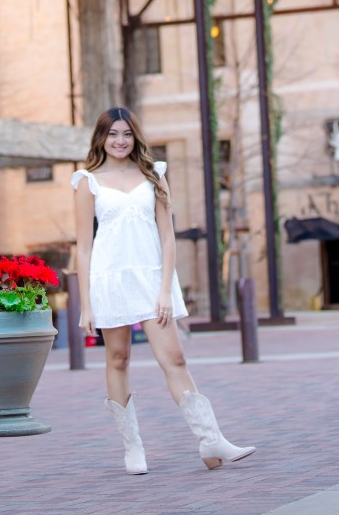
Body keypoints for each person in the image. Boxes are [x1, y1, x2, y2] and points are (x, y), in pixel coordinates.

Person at [72, 105, 256, 475]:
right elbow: (84, 248)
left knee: (175, 358)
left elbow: (168, 236)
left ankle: (211, 440)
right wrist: (86, 305)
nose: (120, 141)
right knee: (118, 359)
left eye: (127, 134)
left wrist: (164, 290)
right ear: (101, 138)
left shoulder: (154, 174)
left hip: (151, 278)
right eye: (113, 134)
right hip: (110, 280)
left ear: (135, 137)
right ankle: (132, 447)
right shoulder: (87, 181)